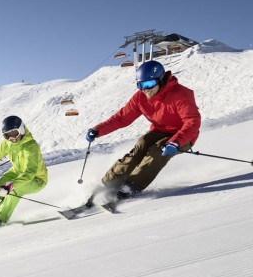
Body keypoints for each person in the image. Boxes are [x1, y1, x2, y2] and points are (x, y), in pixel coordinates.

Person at [85, 60, 201, 201]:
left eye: (149, 84)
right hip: (159, 131)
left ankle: (129, 187)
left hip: (184, 135)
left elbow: (192, 122)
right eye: (141, 85)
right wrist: (98, 130)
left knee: (157, 151)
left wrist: (176, 142)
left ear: (161, 79)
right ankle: (107, 185)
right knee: (142, 144)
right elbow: (122, 118)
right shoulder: (140, 97)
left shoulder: (180, 94)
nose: (146, 90)